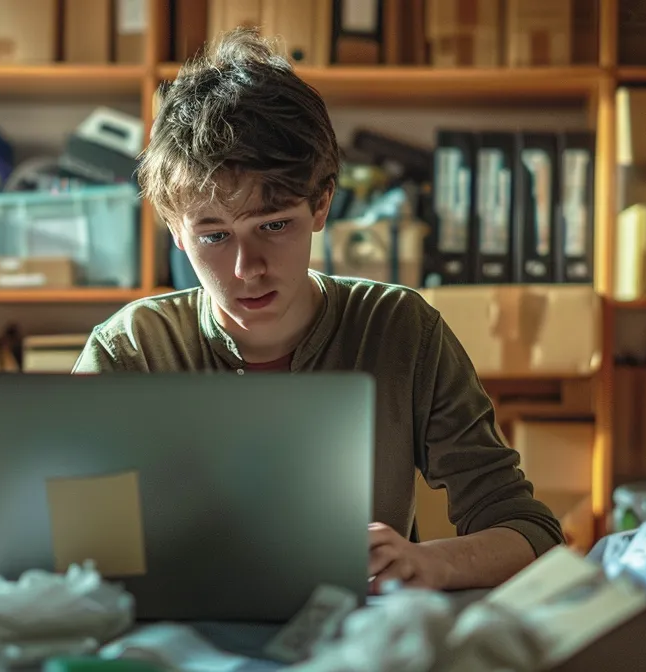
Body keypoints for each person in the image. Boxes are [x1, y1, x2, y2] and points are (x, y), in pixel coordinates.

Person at [73, 27, 563, 593]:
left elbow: (529, 530)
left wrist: (428, 561)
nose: (246, 268)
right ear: (176, 233)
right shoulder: (131, 347)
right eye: (214, 236)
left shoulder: (401, 328)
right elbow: (72, 550)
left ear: (322, 204)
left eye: (273, 225)